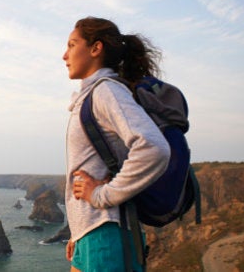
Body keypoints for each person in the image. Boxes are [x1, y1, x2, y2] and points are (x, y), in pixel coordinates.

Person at [62, 17, 170, 272]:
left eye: (72, 44)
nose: (64, 55)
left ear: (95, 48)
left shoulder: (106, 91)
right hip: (91, 233)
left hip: (108, 235)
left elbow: (154, 148)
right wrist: (77, 232)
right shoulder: (91, 95)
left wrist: (102, 195)